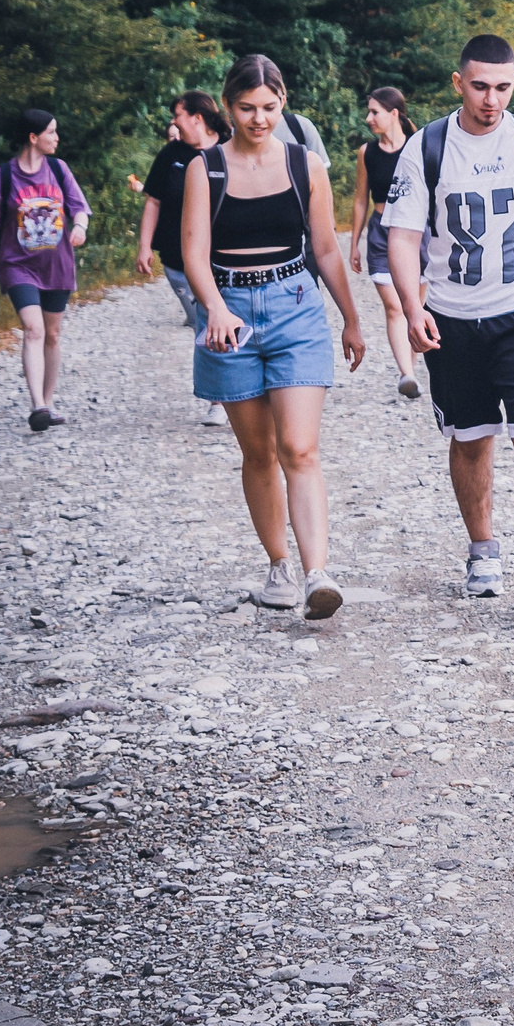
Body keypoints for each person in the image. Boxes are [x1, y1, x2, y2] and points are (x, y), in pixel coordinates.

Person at [382, 33, 514, 613]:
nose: (490, 99)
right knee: (471, 440)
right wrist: (412, 306)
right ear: (458, 84)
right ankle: (483, 551)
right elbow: (400, 236)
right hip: (453, 317)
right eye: (479, 86)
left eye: (502, 87)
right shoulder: (426, 147)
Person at [180, 56, 367, 619]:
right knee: (258, 452)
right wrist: (213, 308)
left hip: (295, 306)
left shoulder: (303, 164)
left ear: (282, 103)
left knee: (300, 447)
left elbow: (326, 248)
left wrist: (352, 319)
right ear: (227, 106)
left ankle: (318, 575)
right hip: (229, 310)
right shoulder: (204, 169)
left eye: (269, 107)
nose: (259, 119)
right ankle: (279, 566)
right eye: (246, 108)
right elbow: (193, 252)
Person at [0, 109, 90, 431]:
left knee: (52, 334)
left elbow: (79, 208)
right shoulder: (4, 175)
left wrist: (79, 227)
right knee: (34, 329)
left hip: (57, 264)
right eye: (51, 132)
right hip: (18, 265)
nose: (57, 138)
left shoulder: (58, 169)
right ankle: (37, 405)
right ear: (33, 137)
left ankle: (48, 403)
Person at [136, 91, 234, 425]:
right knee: (205, 323)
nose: (174, 122)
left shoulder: (230, 147)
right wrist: (144, 246)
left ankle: (223, 400)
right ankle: (221, 397)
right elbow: (153, 201)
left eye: (178, 115)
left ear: (197, 117)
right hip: (179, 261)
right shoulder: (171, 155)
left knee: (215, 321)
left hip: (227, 260)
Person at [350, 86, 424, 398]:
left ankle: (413, 368)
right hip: (381, 232)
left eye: (375, 112)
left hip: (416, 231)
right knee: (395, 307)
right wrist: (354, 243)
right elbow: (359, 200)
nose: (369, 118)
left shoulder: (418, 146)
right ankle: (406, 373)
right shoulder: (367, 152)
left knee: (415, 307)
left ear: (394, 114)